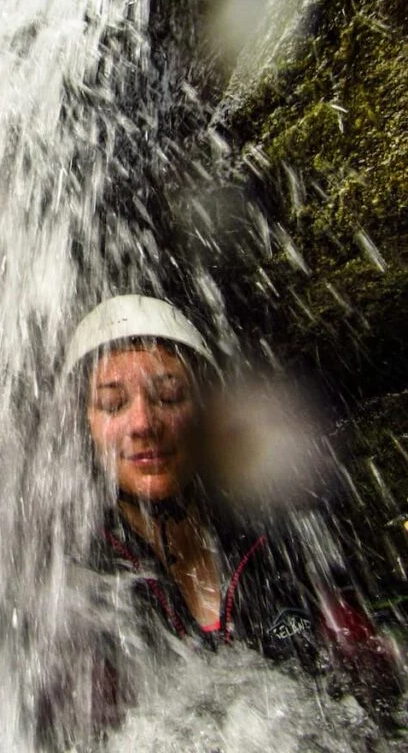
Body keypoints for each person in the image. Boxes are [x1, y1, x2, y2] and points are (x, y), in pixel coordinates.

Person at [65, 294, 403, 716]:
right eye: (113, 403)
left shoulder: (285, 545)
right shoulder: (79, 585)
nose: (144, 424)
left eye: (169, 396)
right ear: (86, 426)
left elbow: (379, 704)